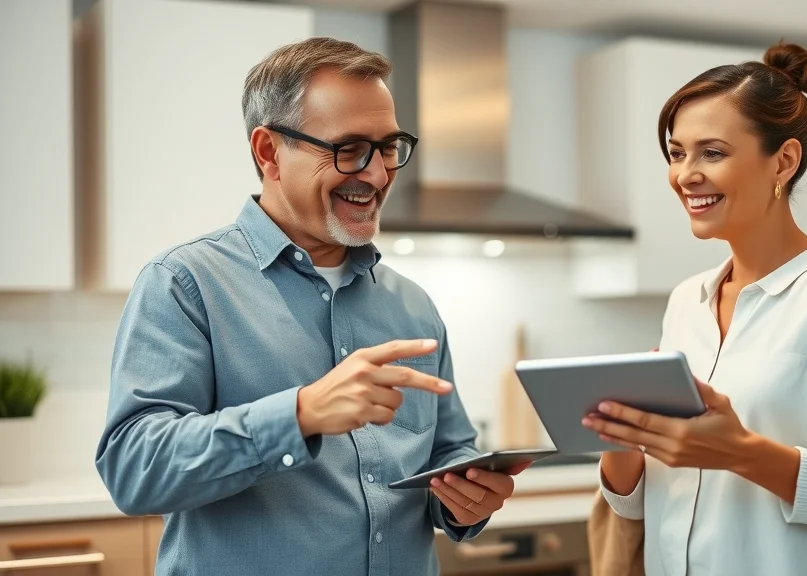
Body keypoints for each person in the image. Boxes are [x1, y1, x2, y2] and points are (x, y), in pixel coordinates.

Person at [95, 38, 526, 576]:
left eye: (388, 147)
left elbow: (449, 451)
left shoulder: (412, 305)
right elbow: (134, 469)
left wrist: (466, 497)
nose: (375, 174)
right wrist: (300, 414)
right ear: (269, 152)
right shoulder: (185, 284)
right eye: (349, 149)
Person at [582, 42, 807, 576]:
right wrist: (624, 441)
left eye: (711, 152)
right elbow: (645, 502)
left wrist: (741, 451)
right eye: (676, 152)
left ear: (783, 160)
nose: (684, 175)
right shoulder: (687, 302)